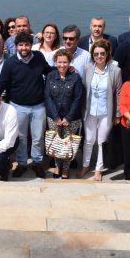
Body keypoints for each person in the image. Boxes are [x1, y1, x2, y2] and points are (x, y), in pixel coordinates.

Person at [0, 32, 52, 178]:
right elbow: (2, 83)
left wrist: (65, 70)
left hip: (39, 106)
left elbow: (48, 72)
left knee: (38, 137)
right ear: (16, 46)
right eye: (21, 45)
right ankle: (21, 164)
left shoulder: (39, 57)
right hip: (17, 106)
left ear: (31, 45)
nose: (24, 48)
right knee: (20, 137)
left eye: (27, 44)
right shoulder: (10, 63)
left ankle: (37, 163)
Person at [81, 40, 122, 181]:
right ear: (92, 55)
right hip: (89, 111)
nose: (99, 56)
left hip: (106, 112)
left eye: (102, 54)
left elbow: (118, 93)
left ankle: (98, 169)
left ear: (107, 54)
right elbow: (84, 89)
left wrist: (117, 114)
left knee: (101, 141)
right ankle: (86, 165)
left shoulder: (115, 70)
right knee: (88, 140)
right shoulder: (87, 69)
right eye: (96, 54)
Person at [44, 49, 83, 179]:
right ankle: (57, 167)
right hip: (53, 117)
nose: (62, 65)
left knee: (67, 144)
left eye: (65, 62)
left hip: (71, 118)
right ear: (55, 62)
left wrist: (68, 117)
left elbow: (78, 98)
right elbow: (47, 97)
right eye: (59, 62)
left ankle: (65, 169)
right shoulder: (50, 76)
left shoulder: (76, 77)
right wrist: (55, 117)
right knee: (56, 142)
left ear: (69, 62)